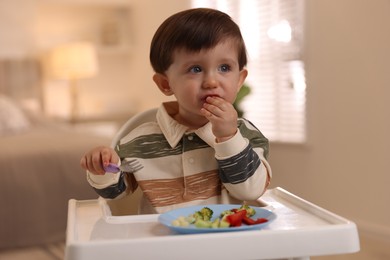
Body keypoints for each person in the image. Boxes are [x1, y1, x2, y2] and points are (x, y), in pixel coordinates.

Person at [80, 8, 271, 214]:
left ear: (240, 80)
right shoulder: (138, 142)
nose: (212, 82)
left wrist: (228, 137)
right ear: (165, 83)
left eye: (224, 68)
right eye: (195, 69)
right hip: (159, 242)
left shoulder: (244, 135)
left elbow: (250, 191)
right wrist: (102, 167)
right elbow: (114, 193)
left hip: (225, 242)